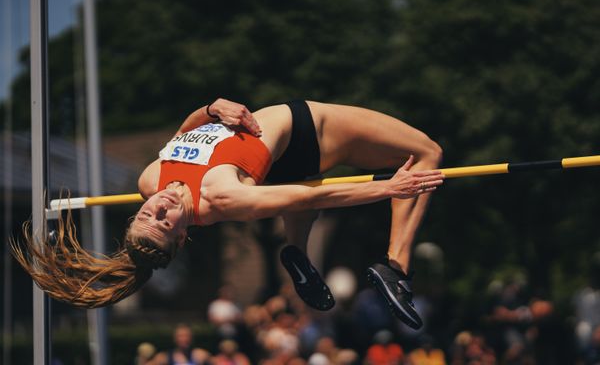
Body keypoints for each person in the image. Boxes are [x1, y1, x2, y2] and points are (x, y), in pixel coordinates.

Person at [12, 98, 443, 329]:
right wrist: (387, 188)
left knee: (299, 184)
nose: (158, 209)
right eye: (165, 224)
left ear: (137, 211)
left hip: (280, 161)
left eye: (147, 216)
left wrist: (211, 109)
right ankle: (396, 267)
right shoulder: (221, 200)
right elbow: (307, 201)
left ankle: (296, 250)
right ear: (182, 236)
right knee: (426, 153)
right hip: (312, 129)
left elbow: (186, 133)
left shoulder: (149, 179)